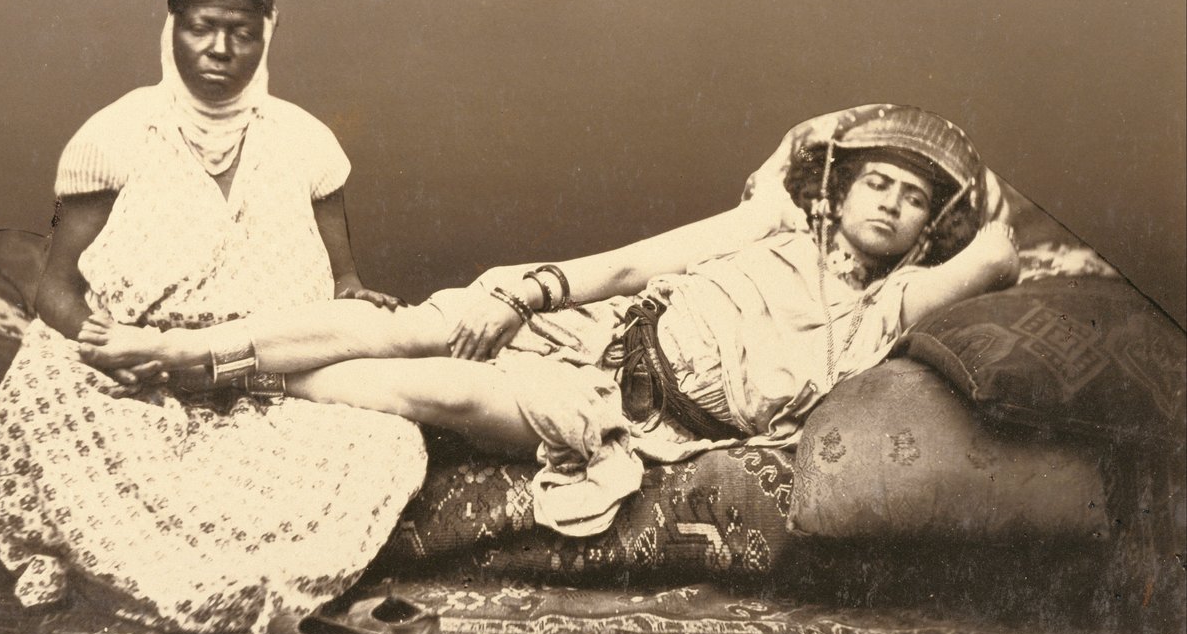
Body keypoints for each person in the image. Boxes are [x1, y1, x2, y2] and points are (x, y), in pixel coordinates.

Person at [78, 104, 1021, 534]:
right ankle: (187, 350)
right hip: (596, 329)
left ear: (926, 229)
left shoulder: (892, 302)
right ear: (837, 188)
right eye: (877, 181)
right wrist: (525, 291)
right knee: (428, 323)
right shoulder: (768, 223)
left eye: (913, 199)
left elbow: (998, 253)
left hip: (628, 417)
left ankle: (226, 373)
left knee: (445, 387)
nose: (891, 204)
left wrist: (969, 212)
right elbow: (634, 263)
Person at [0, 0, 428, 634]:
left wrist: (353, 301)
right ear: (172, 28)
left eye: (241, 32)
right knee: (40, 389)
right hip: (133, 382)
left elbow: (343, 282)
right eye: (202, 28)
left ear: (267, 33)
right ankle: (182, 562)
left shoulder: (307, 143)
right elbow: (55, 290)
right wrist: (106, 346)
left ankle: (240, 570)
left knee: (385, 438)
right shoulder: (115, 136)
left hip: (264, 380)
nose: (220, 48)